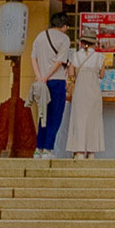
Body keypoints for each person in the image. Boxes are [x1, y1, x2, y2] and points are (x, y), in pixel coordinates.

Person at [30, 12, 74, 158]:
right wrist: (47, 76)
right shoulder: (64, 39)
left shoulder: (40, 36)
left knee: (43, 115)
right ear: (64, 26)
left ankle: (38, 149)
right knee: (55, 116)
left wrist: (40, 77)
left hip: (41, 82)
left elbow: (33, 58)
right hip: (56, 81)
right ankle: (48, 149)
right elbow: (59, 62)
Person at [64, 29, 106, 159]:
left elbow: (71, 73)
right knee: (94, 120)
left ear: (82, 43)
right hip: (94, 92)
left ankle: (79, 151)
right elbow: (102, 75)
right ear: (94, 43)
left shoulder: (76, 56)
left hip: (80, 91)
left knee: (79, 120)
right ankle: (92, 151)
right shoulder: (100, 57)